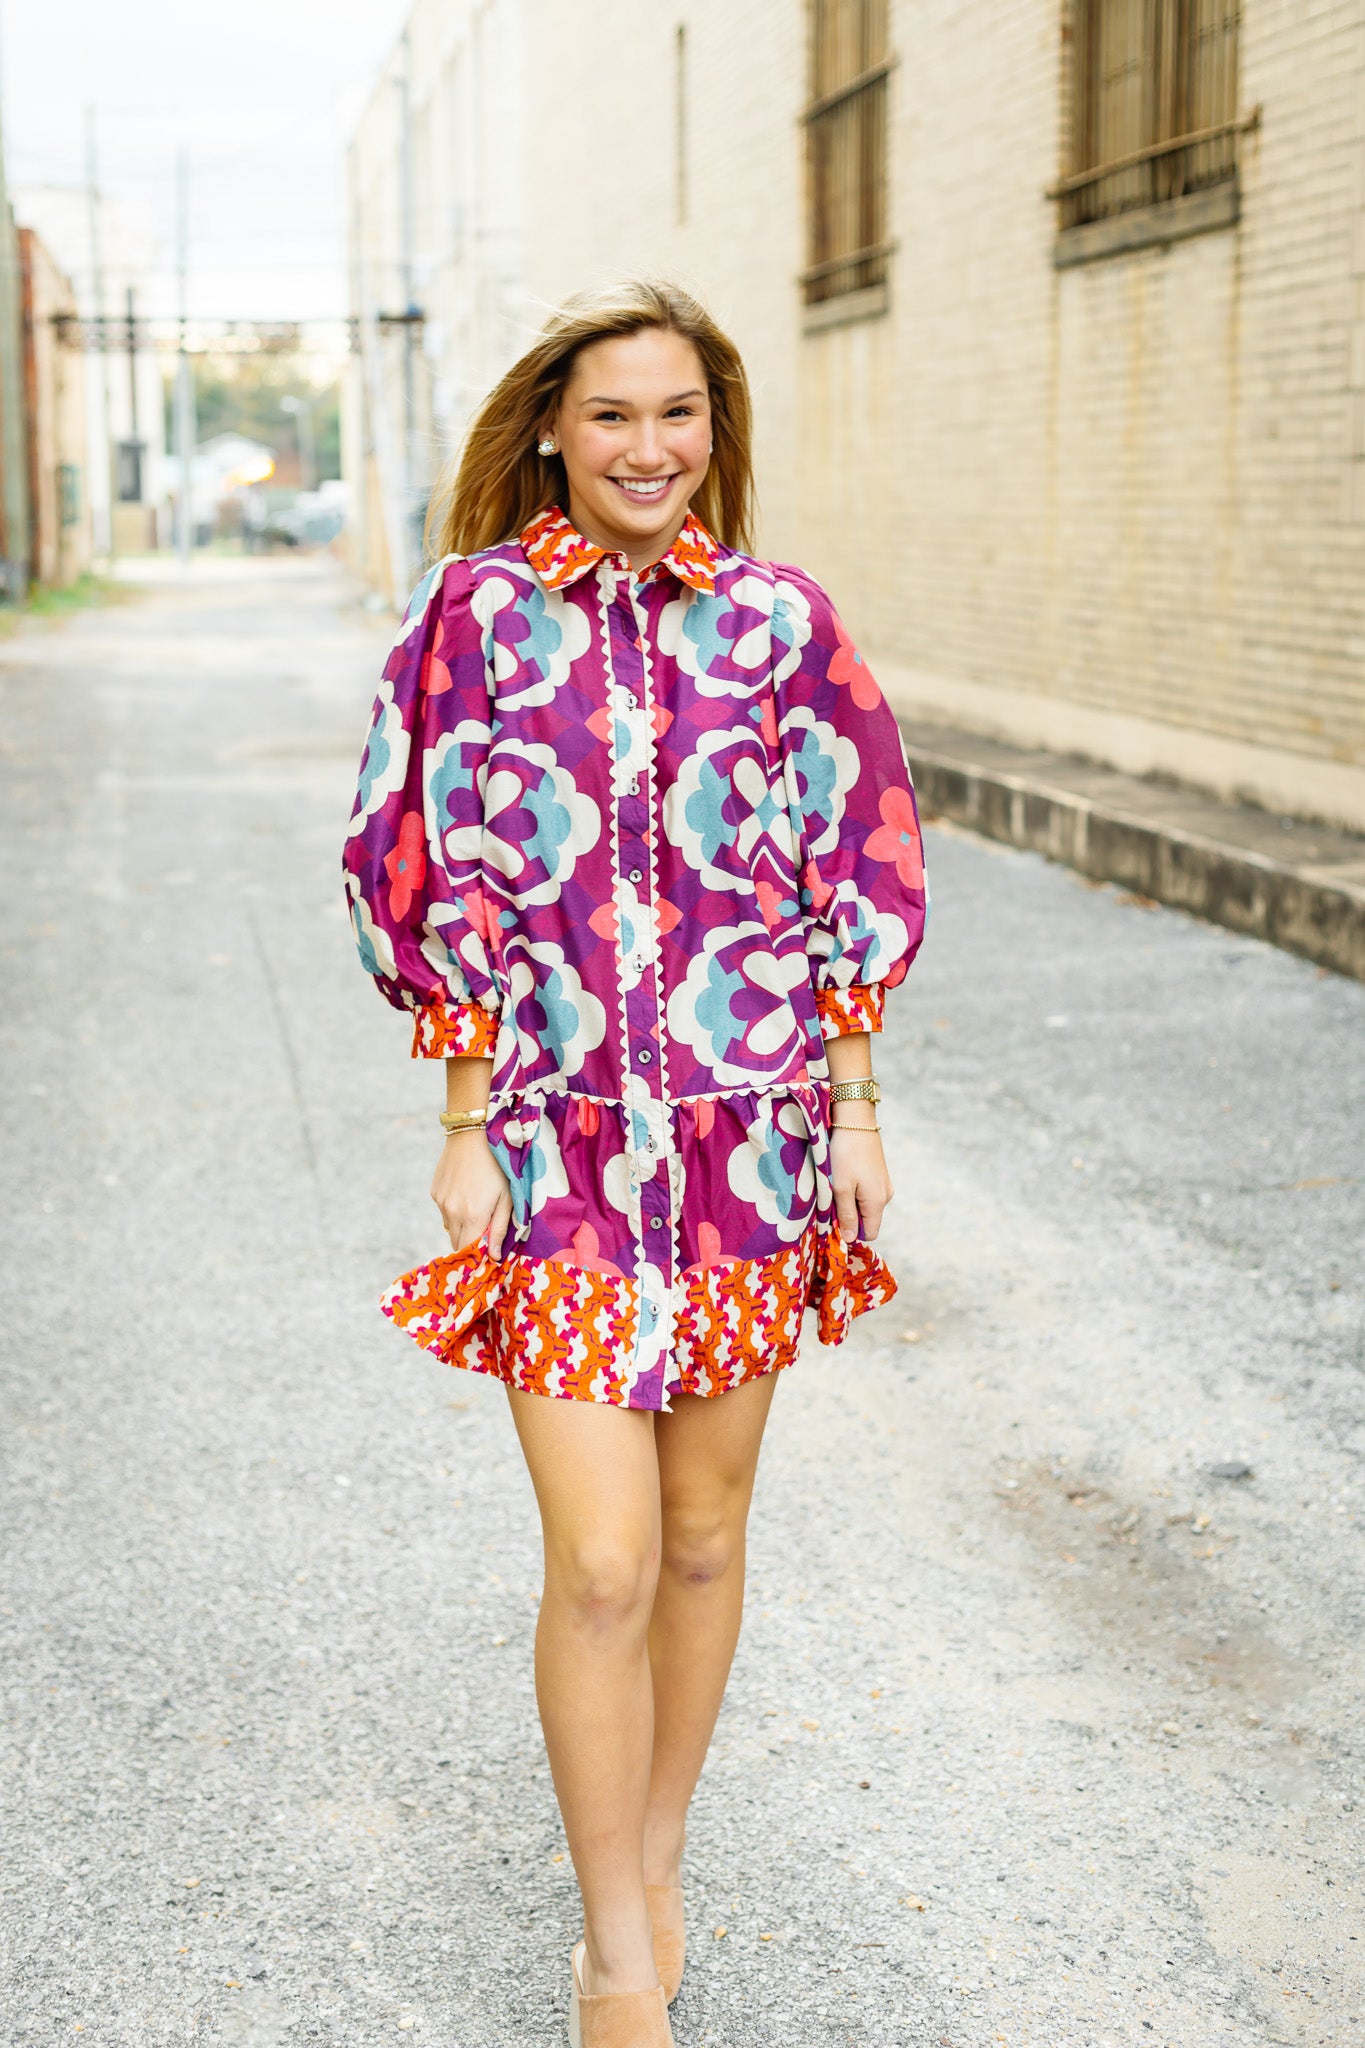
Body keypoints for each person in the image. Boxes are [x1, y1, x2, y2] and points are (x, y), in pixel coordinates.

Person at [345, 280, 927, 2048]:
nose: (648, 448)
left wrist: (853, 1106)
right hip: (556, 1152)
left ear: (712, 430)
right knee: (598, 1560)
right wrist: (463, 1119)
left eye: (679, 413)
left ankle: (659, 1850)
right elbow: (413, 856)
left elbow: (854, 851)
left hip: (749, 1145)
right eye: (612, 414)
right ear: (551, 428)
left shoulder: (778, 621)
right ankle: (613, 1952)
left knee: (697, 1538)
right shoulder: (471, 617)